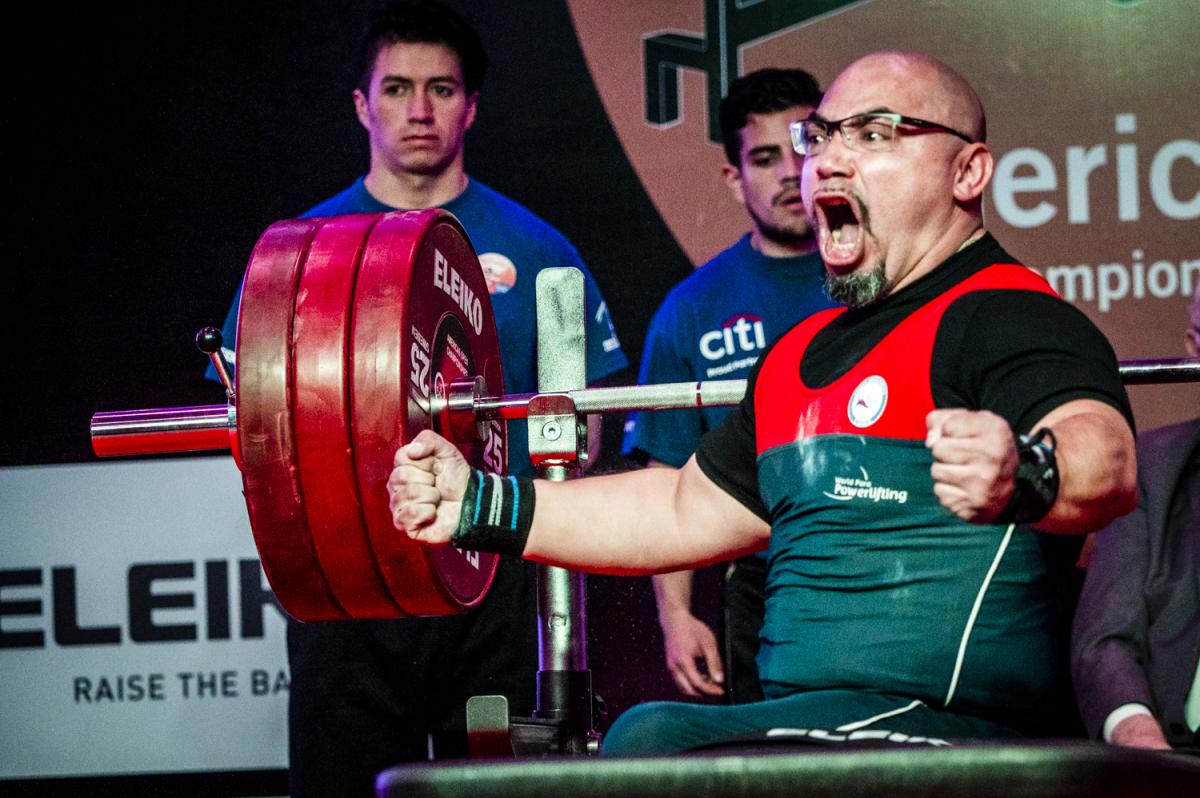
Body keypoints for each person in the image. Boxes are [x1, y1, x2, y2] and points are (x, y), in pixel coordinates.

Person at [389, 50, 1139, 756]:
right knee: (647, 733)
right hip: (815, 724)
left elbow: (1105, 455)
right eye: (822, 138)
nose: (828, 161)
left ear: (968, 172)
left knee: (653, 743)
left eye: (874, 134)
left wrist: (1028, 472)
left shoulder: (1002, 312)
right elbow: (680, 509)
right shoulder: (798, 355)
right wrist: (477, 504)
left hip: (954, 734)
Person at [212, 2, 626, 792]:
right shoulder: (296, 255)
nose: (421, 110)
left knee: (495, 786)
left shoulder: (540, 249)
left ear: (472, 105)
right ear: (364, 106)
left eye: (442, 89)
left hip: (489, 576)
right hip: (346, 585)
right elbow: (250, 429)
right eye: (398, 88)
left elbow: (587, 433)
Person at [622, 68, 833, 703]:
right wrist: (676, 616)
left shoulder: (885, 277)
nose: (789, 173)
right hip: (758, 578)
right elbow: (669, 475)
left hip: (879, 557)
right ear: (733, 177)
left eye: (803, 148)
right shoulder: (691, 308)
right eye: (764, 158)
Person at [1071, 280, 1200, 751]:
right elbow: (1105, 641)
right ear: (1194, 350)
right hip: (1176, 761)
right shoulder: (1152, 468)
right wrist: (1141, 742)